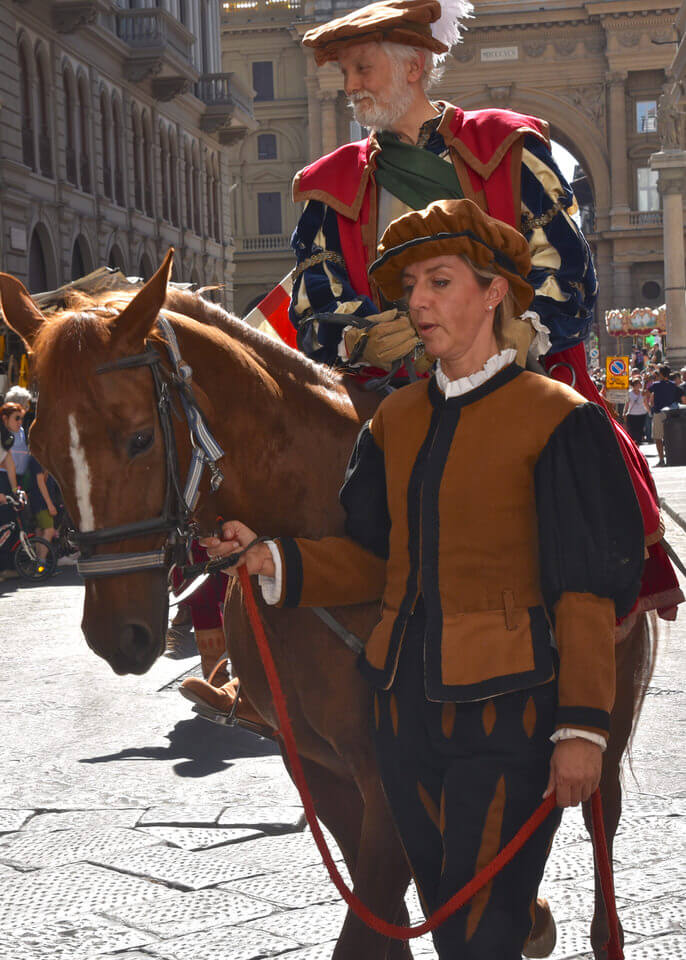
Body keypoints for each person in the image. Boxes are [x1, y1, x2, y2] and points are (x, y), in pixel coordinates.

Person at [200, 199, 645, 960]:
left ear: (494, 292)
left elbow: (583, 591)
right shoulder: (395, 421)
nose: (419, 302)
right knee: (453, 934)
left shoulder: (560, 421)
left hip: (508, 721)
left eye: (440, 282)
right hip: (401, 720)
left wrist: (581, 729)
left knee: (479, 940)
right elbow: (372, 559)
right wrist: (278, 559)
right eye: (412, 287)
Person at [648, 365, 685, 466]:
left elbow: (645, 393)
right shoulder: (674, 385)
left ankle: (661, 460)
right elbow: (683, 400)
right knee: (671, 437)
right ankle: (671, 457)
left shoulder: (656, 385)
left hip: (659, 413)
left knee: (658, 438)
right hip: (672, 414)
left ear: (660, 374)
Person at [0, 402, 21, 580]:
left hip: (3, 483)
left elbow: (10, 465)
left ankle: (6, 569)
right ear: (5, 418)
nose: (20, 422)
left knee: (9, 524)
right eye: (17, 418)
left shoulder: (7, 439)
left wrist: (16, 491)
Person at [623, 377, 649, 446]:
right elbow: (627, 404)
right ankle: (634, 446)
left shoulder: (643, 393)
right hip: (632, 415)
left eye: (639, 384)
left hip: (641, 414)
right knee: (632, 432)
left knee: (640, 431)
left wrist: (649, 412)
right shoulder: (629, 393)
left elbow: (645, 403)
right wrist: (624, 412)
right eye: (637, 384)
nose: (638, 385)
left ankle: (638, 446)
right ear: (633, 385)